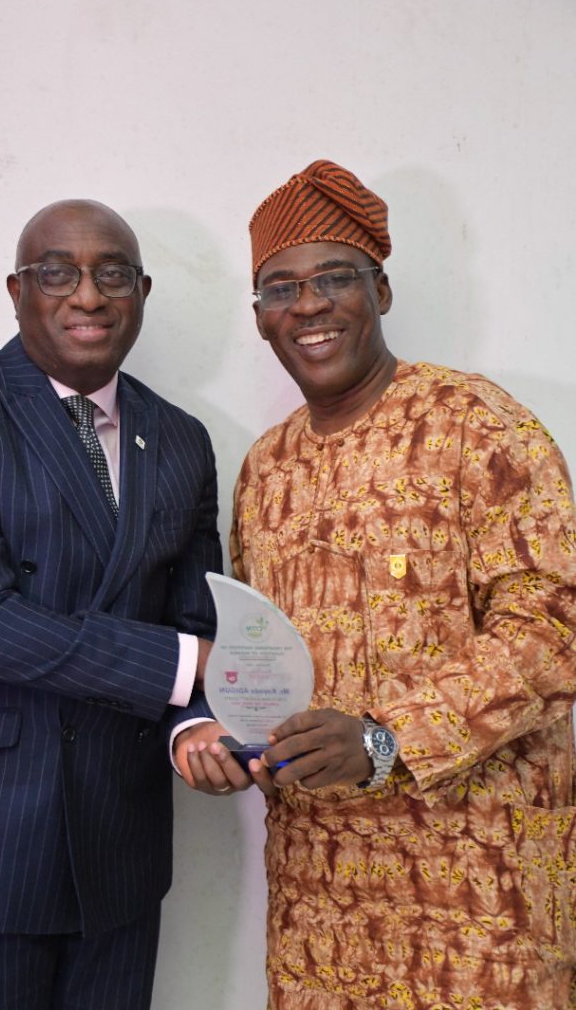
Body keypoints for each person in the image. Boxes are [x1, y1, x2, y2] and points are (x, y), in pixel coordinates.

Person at [175, 161, 576, 1009]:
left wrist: (386, 737)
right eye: (280, 288)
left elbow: (554, 629)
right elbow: (259, 652)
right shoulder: (265, 469)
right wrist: (223, 734)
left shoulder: (478, 424)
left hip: (475, 883)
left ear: (381, 291)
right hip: (321, 888)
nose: (307, 305)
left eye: (332, 279)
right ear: (258, 318)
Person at [0, 198, 222, 1010]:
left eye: (112, 273)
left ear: (141, 291)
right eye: (57, 273)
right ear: (16, 291)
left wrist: (197, 722)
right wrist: (181, 668)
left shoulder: (180, 437)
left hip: (120, 838)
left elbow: (196, 615)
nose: (87, 295)